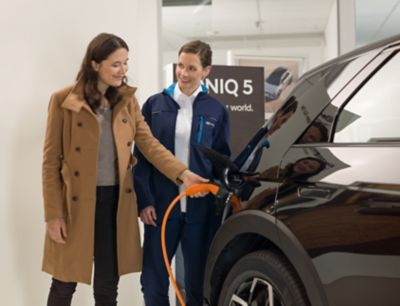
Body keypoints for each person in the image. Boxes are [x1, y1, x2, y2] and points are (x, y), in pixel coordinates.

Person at [41, 33, 207, 306]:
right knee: (63, 284)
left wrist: (183, 174)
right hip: (75, 205)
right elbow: (50, 163)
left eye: (126, 63)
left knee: (107, 287)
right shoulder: (63, 100)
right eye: (116, 64)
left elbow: (150, 145)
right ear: (95, 64)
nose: (123, 70)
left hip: (114, 204)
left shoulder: (127, 101)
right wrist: (53, 215)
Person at [134, 40, 230, 306]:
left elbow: (221, 159)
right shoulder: (154, 104)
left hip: (200, 210)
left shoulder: (216, 110)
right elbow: (140, 158)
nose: (184, 73)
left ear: (206, 71)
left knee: (197, 283)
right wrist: (145, 200)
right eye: (180, 66)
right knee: (153, 281)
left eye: (192, 68)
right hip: (162, 208)